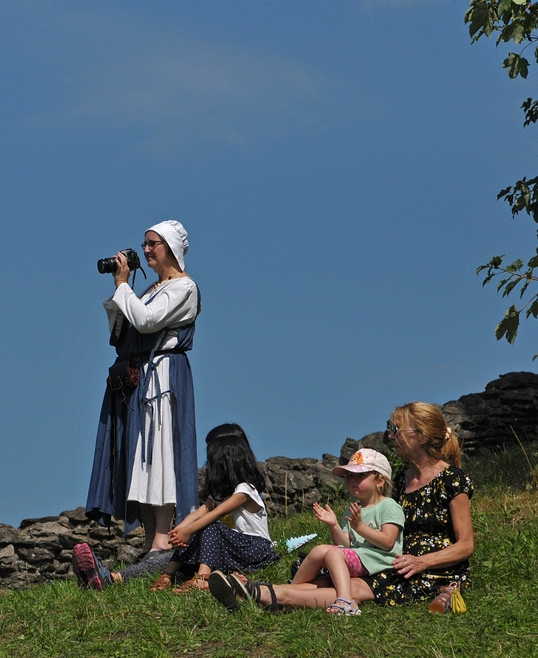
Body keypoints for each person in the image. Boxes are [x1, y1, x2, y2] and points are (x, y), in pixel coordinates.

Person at [208, 402, 474, 613]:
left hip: (431, 570)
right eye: (390, 427)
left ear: (422, 436)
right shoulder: (406, 479)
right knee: (331, 581)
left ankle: (265, 595)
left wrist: (421, 561)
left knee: (355, 588)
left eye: (397, 429)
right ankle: (256, 590)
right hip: (394, 563)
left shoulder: (452, 479)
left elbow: (466, 545)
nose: (390, 435)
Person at [85, 220, 201, 554]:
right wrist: (121, 290)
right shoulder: (152, 290)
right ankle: (152, 541)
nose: (147, 249)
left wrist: (124, 286)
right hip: (142, 380)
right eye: (146, 243)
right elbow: (124, 330)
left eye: (154, 244)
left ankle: (163, 538)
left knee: (160, 453)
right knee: (142, 460)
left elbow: (148, 321)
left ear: (171, 249)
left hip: (163, 379)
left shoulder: (184, 288)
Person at [72, 424, 278, 592]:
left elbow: (217, 513)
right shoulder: (218, 495)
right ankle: (112, 578)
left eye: (212, 462)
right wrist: (180, 531)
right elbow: (201, 511)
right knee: (168, 556)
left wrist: (189, 530)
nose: (208, 466)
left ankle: (202, 577)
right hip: (227, 551)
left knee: (208, 527)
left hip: (255, 550)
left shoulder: (245, 490)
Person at [291, 448, 404, 616]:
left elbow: (388, 542)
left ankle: (346, 601)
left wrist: (360, 528)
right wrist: (334, 524)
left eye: (360, 475)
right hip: (360, 557)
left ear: (380, 481)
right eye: (350, 476)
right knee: (320, 550)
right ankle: (292, 589)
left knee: (333, 554)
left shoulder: (388, 505)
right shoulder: (351, 510)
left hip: (381, 560)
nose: (353, 479)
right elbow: (346, 544)